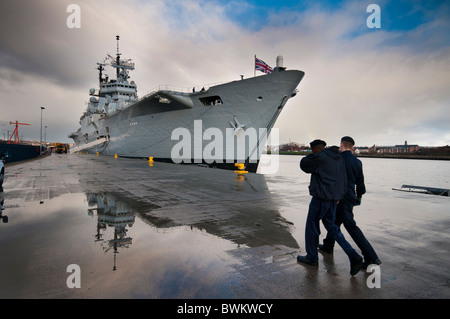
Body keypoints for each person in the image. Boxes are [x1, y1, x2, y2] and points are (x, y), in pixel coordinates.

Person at [297, 139, 363, 276]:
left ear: (315, 149)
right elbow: (344, 179)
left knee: (312, 227)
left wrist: (313, 155)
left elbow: (304, 165)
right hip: (334, 199)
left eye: (312, 150)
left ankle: (312, 257)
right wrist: (339, 196)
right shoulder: (338, 158)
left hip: (320, 199)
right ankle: (353, 255)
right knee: (333, 228)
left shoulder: (320, 157)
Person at [319, 136, 381, 268]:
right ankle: (328, 245)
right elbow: (361, 184)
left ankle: (372, 257)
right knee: (334, 222)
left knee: (350, 226)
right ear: (352, 147)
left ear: (341, 144)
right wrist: (358, 197)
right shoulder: (357, 162)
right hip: (350, 197)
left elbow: (334, 180)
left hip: (339, 198)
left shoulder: (338, 159)